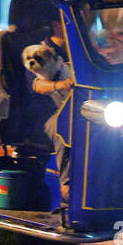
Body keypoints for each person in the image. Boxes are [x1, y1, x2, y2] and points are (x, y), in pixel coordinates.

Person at [24, 15, 73, 205]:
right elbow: (37, 84)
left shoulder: (77, 48)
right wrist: (62, 84)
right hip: (43, 114)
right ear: (55, 24)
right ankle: (66, 187)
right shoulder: (36, 52)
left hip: (77, 106)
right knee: (64, 127)